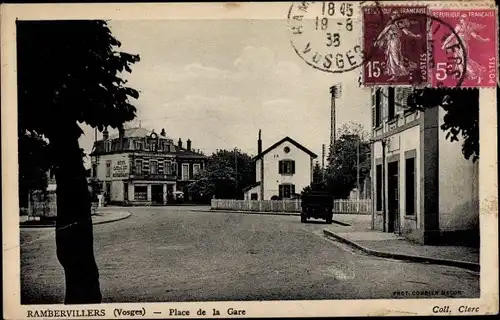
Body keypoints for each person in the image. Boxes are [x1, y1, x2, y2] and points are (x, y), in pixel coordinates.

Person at [441, 14, 490, 84]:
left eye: (465, 19)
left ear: (467, 20)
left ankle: (478, 73)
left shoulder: (469, 27)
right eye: (462, 19)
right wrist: (445, 44)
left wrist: (484, 40)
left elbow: (476, 36)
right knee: (460, 61)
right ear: (460, 20)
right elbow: (452, 36)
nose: (463, 20)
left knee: (464, 61)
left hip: (464, 46)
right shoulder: (459, 27)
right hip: (458, 47)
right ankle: (463, 77)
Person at [374, 10, 422, 81]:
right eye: (392, 15)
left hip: (394, 42)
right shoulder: (396, 24)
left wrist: (415, 36)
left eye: (393, 15)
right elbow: (383, 32)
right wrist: (415, 36)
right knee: (391, 58)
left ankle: (407, 70)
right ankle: (395, 75)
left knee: (395, 58)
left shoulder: (394, 25)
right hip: (393, 42)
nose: (392, 16)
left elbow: (383, 33)